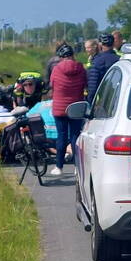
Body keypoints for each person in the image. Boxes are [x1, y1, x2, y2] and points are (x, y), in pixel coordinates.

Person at [49, 43, 87, 176]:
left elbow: (52, 84)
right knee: (75, 137)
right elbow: (85, 84)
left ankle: (59, 167)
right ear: (73, 55)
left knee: (62, 137)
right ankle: (78, 167)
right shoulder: (81, 68)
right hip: (76, 107)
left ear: (61, 57)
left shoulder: (56, 69)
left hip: (59, 108)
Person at [86, 33, 120, 104]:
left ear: (100, 44)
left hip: (104, 103)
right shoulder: (120, 59)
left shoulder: (97, 62)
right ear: (113, 44)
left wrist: (90, 104)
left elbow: (92, 88)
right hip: (118, 99)